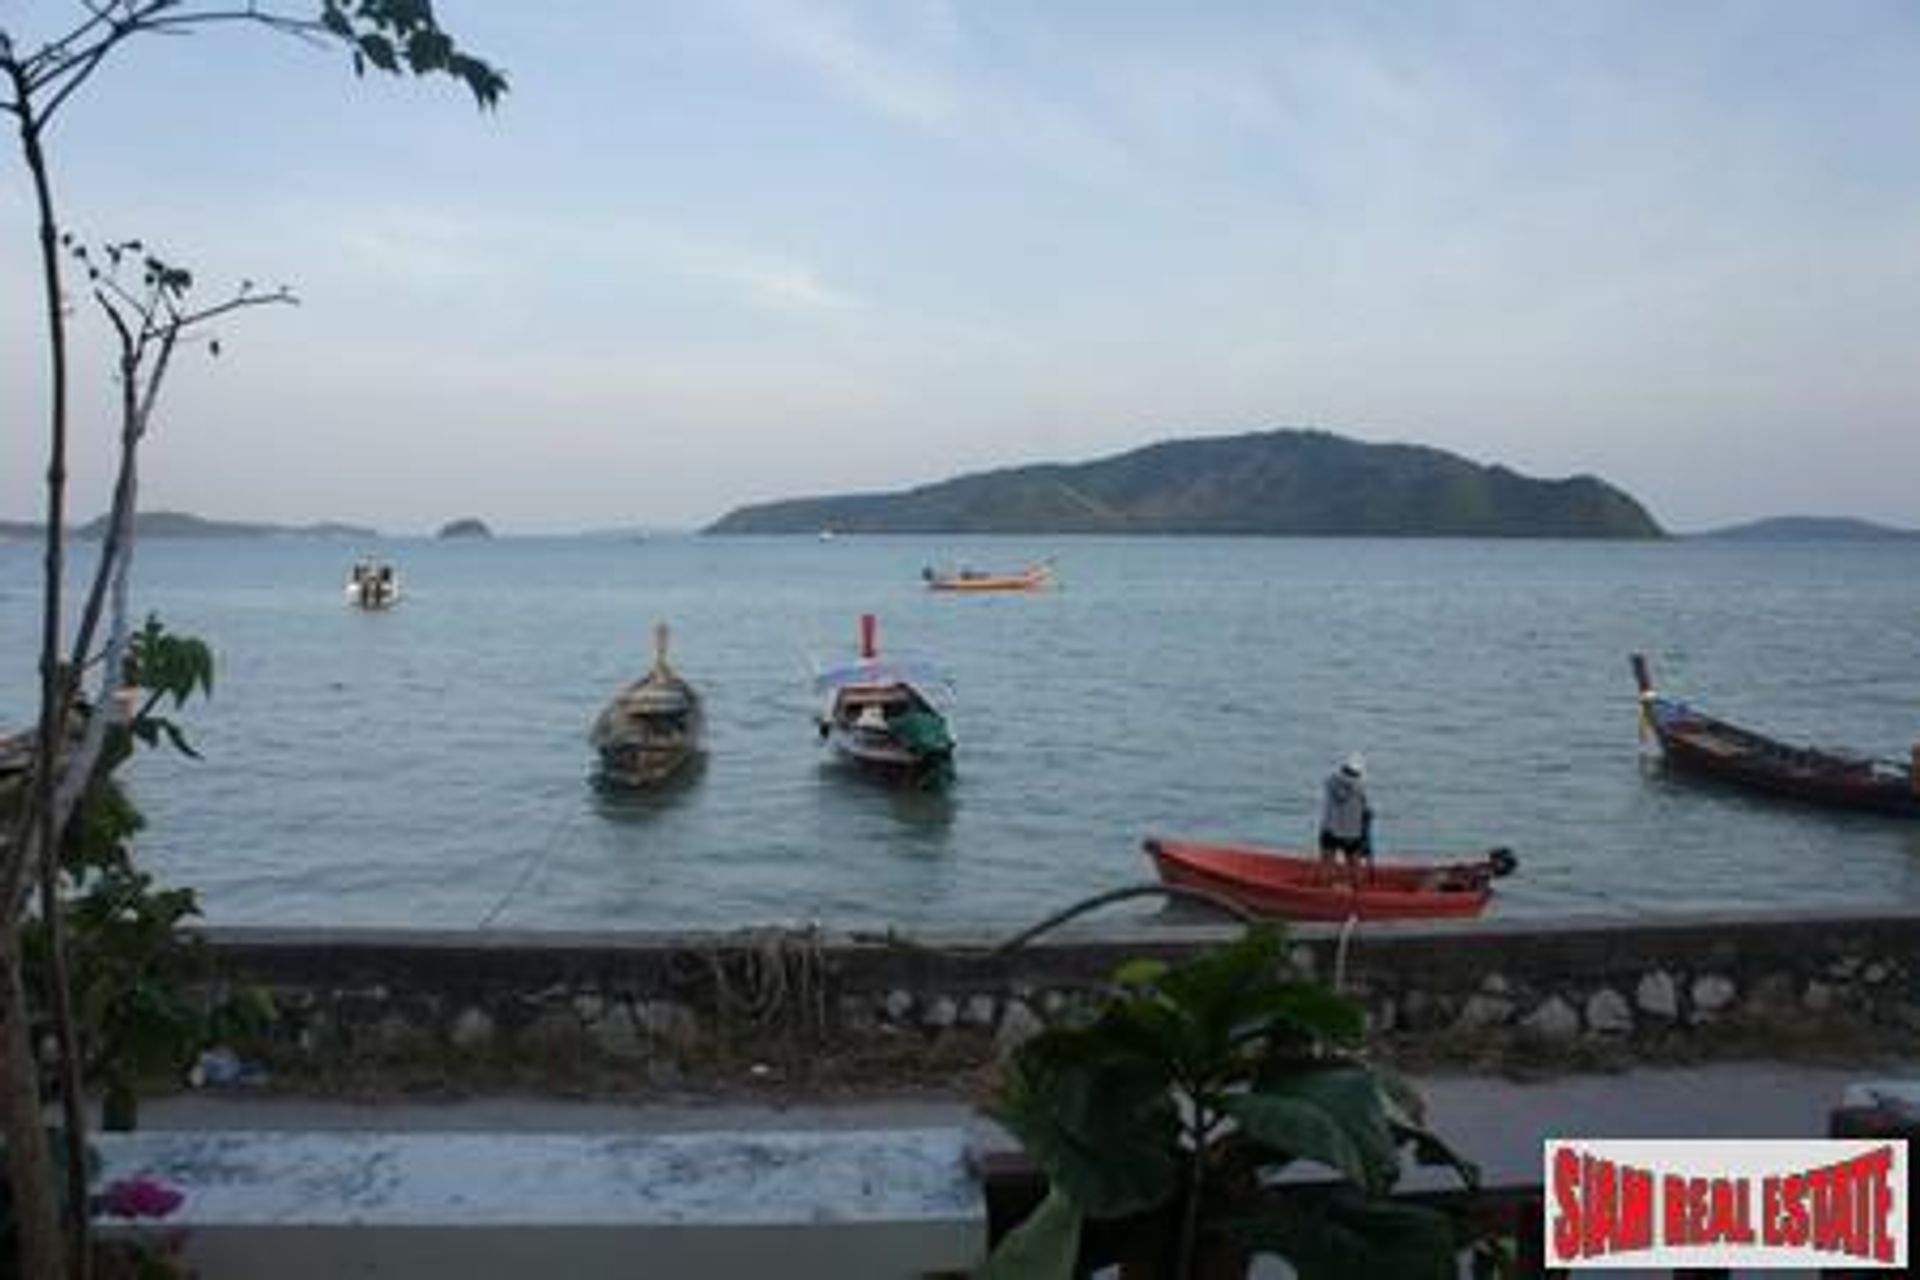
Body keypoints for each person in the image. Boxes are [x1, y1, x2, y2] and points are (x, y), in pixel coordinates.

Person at [1319, 751, 1373, 874]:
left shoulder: (1330, 781)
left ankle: (1327, 889)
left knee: (1327, 864)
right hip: (1352, 834)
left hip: (1330, 829)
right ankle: (1356, 891)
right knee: (1354, 866)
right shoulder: (1360, 788)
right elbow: (1365, 810)